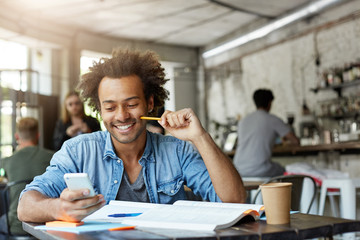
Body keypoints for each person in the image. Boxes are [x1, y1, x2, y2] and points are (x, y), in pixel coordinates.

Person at [18, 49, 246, 224]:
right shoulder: (77, 151)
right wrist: (58, 208)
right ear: (99, 110)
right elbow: (25, 205)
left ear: (149, 103)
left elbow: (235, 201)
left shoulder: (178, 151)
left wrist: (200, 136)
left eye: (131, 104)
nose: (122, 116)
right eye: (110, 107)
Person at [0, 117, 54, 235]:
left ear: (17, 137)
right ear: (38, 135)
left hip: (16, 224)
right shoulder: (52, 156)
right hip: (47, 224)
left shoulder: (7, 161)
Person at [233, 89, 299, 177]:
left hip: (238, 169)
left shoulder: (243, 121)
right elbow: (295, 141)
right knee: (284, 171)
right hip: (260, 170)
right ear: (270, 103)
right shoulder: (273, 119)